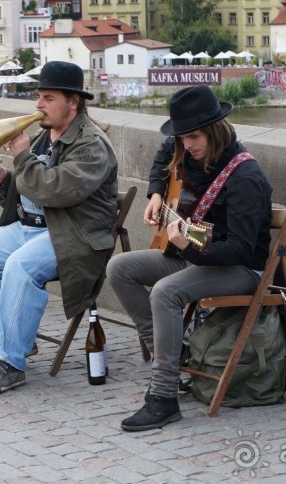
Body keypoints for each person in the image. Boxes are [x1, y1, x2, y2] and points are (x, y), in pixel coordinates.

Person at [105, 85, 273, 431]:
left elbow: (240, 249)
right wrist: (155, 192)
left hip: (240, 267)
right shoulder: (184, 149)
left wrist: (186, 246)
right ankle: (175, 356)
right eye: (182, 138)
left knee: (166, 291)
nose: (186, 145)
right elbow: (163, 154)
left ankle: (164, 396)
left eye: (193, 137)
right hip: (198, 251)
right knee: (119, 268)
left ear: (215, 130)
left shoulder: (245, 177)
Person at [0, 61, 119, 395]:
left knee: (20, 266)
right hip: (33, 226)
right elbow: (29, 190)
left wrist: (21, 157)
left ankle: (9, 363)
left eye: (48, 98)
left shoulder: (91, 145)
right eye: (38, 97)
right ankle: (14, 341)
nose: (39, 105)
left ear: (73, 103)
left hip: (73, 232)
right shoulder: (42, 136)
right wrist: (5, 182)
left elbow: (54, 191)